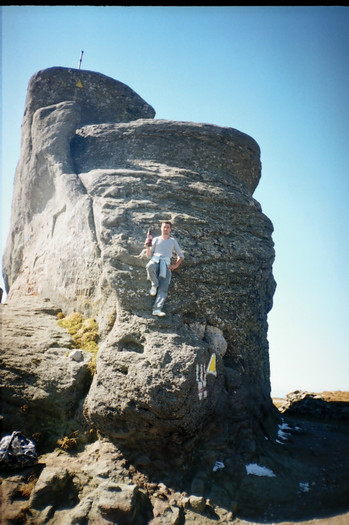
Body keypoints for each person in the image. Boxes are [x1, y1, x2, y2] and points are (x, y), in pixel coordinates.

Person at [145, 221, 184, 317]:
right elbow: (149, 255)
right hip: (155, 261)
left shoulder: (172, 241)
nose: (166, 229)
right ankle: (154, 284)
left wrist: (175, 266)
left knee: (163, 289)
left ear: (170, 229)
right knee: (149, 266)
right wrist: (147, 247)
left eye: (168, 227)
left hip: (165, 265)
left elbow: (181, 255)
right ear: (161, 228)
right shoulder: (156, 239)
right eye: (164, 227)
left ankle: (157, 309)